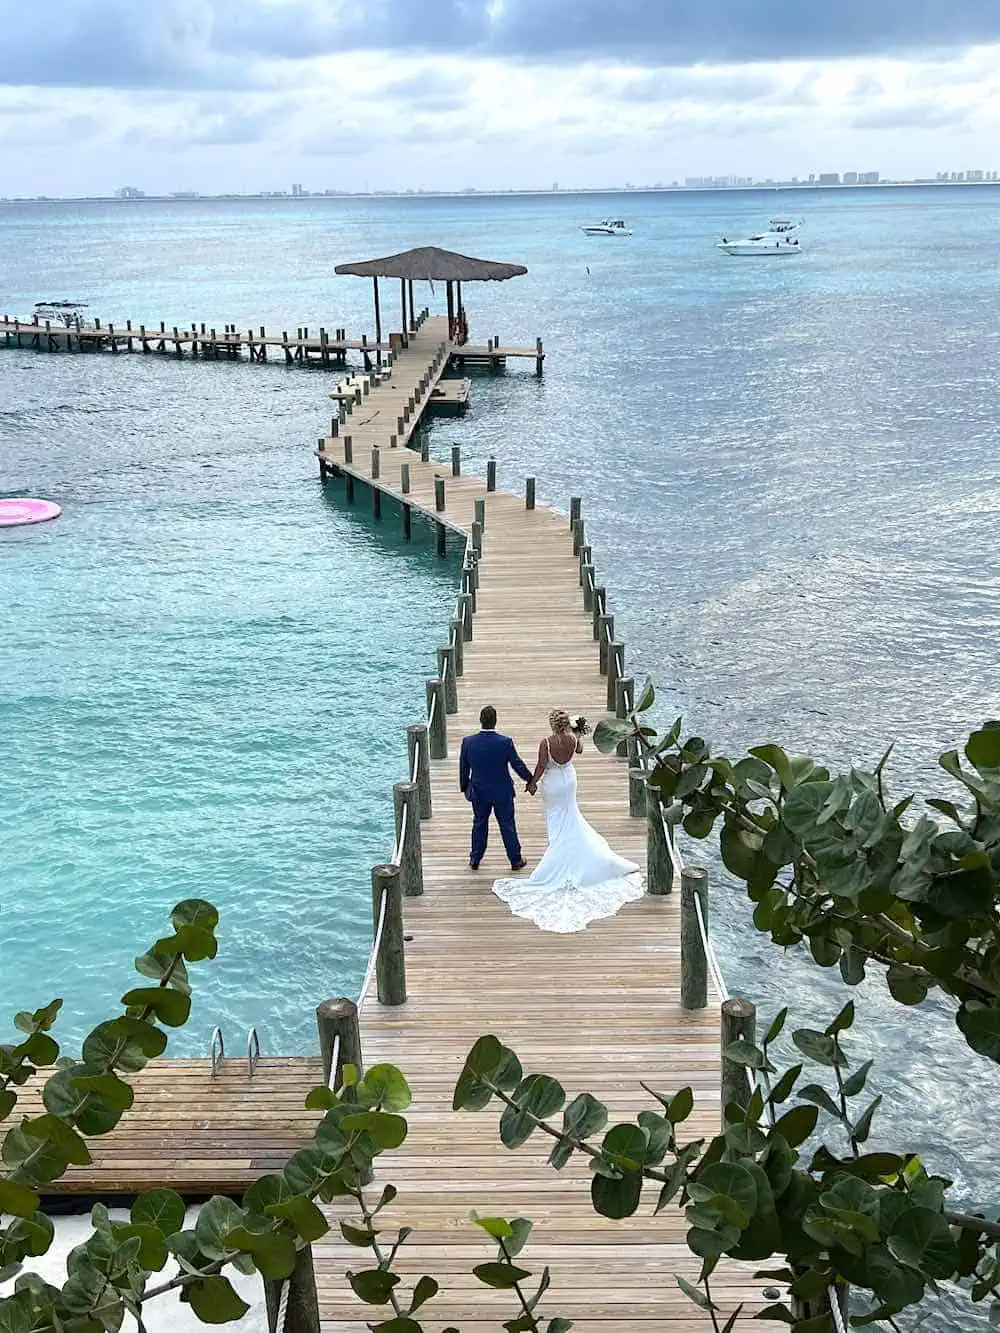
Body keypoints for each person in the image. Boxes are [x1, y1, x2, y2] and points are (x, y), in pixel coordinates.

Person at [492, 709, 642, 932]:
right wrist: (578, 733)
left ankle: (558, 860)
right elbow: (579, 750)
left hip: (553, 784)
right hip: (569, 780)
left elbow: (542, 766)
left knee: (556, 821)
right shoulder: (572, 740)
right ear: (566, 725)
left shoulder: (546, 742)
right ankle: (580, 857)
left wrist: (532, 783)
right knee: (571, 814)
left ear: (552, 725)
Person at [459, 705, 534, 871]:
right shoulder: (505, 742)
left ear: (480, 721)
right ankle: (515, 860)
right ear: (495, 721)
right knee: (507, 825)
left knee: (479, 823)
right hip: (502, 792)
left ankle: (475, 859)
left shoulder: (468, 742)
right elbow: (517, 764)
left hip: (479, 792)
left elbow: (464, 768)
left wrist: (465, 787)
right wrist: (530, 779)